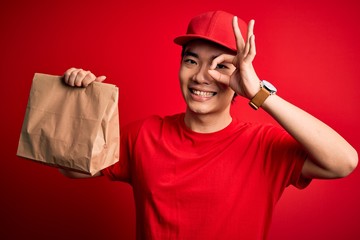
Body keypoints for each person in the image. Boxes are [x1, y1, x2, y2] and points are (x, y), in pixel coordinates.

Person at [61, 10, 358, 240]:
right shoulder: (144, 135)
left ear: (240, 75)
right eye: (191, 61)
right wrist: (77, 101)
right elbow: (72, 168)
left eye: (221, 65)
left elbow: (343, 162)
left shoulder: (265, 146)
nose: (202, 76)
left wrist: (259, 93)